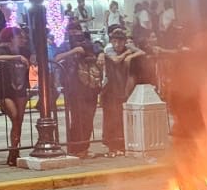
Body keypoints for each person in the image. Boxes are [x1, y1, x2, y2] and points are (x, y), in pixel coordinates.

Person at [99, 28, 145, 156]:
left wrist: (131, 55)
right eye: (115, 41)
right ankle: (111, 145)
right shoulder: (109, 49)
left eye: (120, 41)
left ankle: (120, 145)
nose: (117, 44)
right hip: (110, 89)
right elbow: (116, 60)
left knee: (121, 118)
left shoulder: (127, 48)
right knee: (110, 118)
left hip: (122, 88)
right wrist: (126, 54)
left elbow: (142, 52)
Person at [56, 32, 102, 157]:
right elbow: (56, 58)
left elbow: (100, 51)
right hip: (75, 90)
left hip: (91, 87)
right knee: (78, 120)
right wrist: (73, 51)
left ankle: (84, 148)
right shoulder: (66, 46)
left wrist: (100, 55)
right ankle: (75, 148)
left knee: (88, 120)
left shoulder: (91, 46)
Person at [0, 27, 33, 166]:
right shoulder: (2, 50)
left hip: (21, 87)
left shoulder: (25, 51)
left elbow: (33, 61)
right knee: (14, 116)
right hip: (5, 88)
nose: (23, 39)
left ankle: (14, 150)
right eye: (19, 37)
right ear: (11, 38)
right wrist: (17, 57)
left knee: (19, 120)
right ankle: (14, 149)